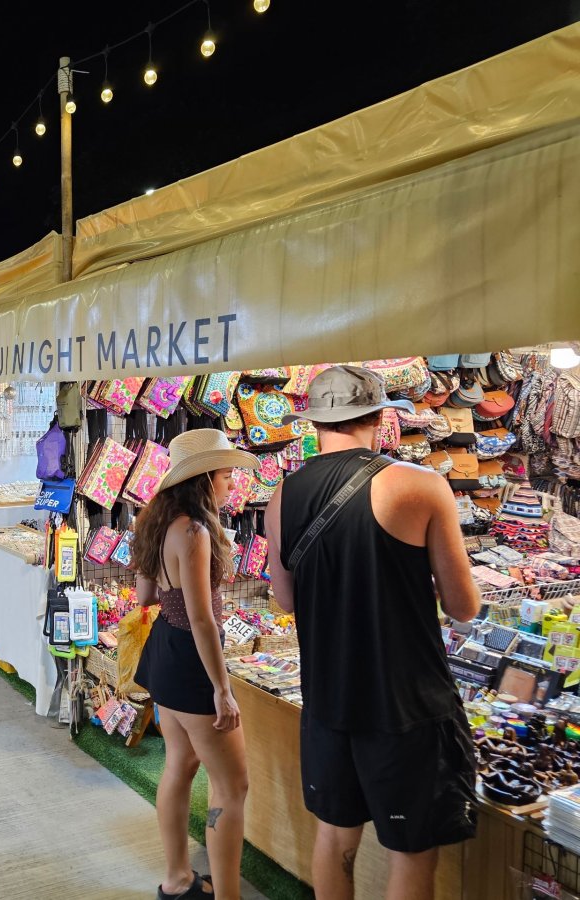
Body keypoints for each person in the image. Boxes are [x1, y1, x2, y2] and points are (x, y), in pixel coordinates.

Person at [264, 366, 480, 900]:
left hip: (327, 699)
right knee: (411, 852)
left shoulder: (282, 497)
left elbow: (285, 600)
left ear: (313, 421)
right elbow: (464, 606)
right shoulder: (421, 486)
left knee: (336, 835)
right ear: (382, 418)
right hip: (406, 703)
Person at [132, 429, 257, 900]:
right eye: (226, 475)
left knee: (179, 766)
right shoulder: (194, 531)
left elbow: (145, 598)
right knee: (231, 787)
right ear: (204, 479)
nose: (231, 485)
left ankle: (178, 879)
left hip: (164, 653)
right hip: (193, 660)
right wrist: (222, 688)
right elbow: (203, 620)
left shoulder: (155, 522)